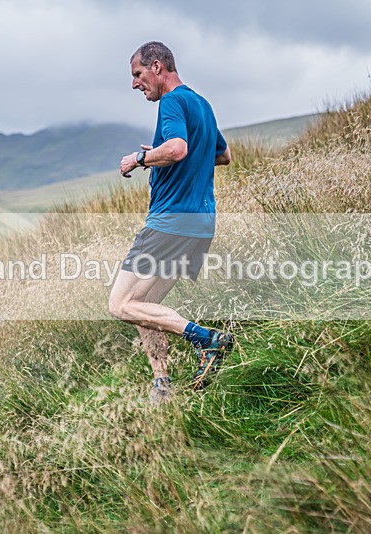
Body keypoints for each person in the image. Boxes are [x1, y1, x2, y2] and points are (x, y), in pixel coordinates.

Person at [110, 41, 233, 403]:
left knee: (119, 304)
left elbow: (178, 148)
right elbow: (223, 155)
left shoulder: (173, 102)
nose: (135, 84)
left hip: (171, 221)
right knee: (144, 305)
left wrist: (140, 158)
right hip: (200, 224)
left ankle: (207, 340)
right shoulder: (202, 104)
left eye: (138, 74)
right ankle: (162, 386)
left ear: (158, 66)